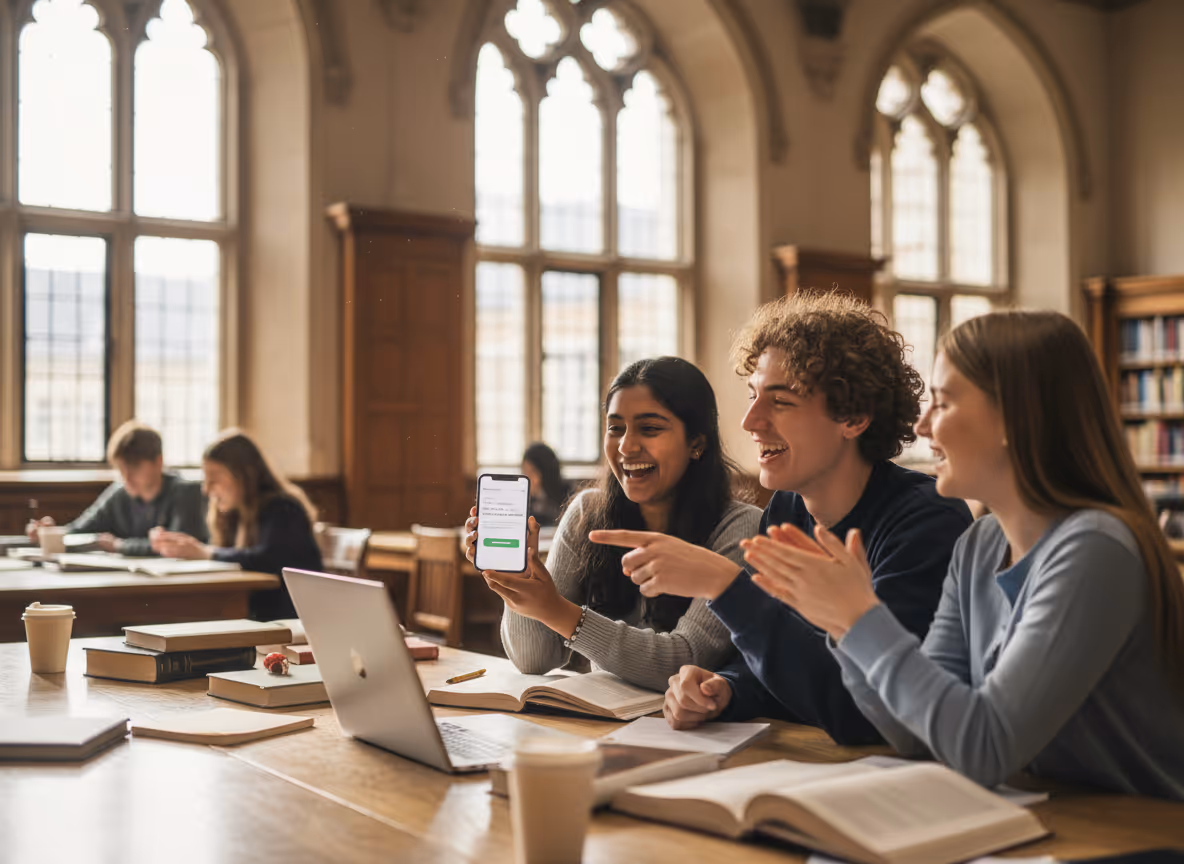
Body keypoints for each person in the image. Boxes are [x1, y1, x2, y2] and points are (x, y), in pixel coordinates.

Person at [745, 311, 1184, 799]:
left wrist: (861, 615)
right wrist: (844, 625)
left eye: (944, 403)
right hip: (1043, 819)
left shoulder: (1095, 549)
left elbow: (985, 747)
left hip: (1138, 836)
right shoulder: (980, 545)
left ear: (1015, 420)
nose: (923, 424)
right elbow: (913, 733)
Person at [594, 293, 972, 743]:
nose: (750, 422)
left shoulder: (926, 521)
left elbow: (862, 710)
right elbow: (789, 658)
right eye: (754, 396)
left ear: (852, 416)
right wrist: (727, 690)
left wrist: (726, 586)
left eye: (781, 402)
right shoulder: (788, 508)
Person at [464, 357, 762, 691]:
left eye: (649, 429)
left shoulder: (741, 528)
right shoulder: (587, 516)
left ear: (697, 443)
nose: (626, 446)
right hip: (604, 732)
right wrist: (520, 583)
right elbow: (534, 661)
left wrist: (558, 611)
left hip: (708, 734)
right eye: (615, 427)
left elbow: (683, 660)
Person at [151, 429, 323, 620]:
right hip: (255, 616)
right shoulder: (231, 514)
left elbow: (267, 560)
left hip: (291, 620)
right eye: (205, 479)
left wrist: (205, 553)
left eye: (214, 478)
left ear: (244, 474)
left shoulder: (283, 508)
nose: (206, 489)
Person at [26, 420, 206, 556]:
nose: (126, 477)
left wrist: (120, 546)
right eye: (121, 469)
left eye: (134, 467)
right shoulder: (119, 493)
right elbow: (81, 530)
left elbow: (178, 546)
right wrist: (51, 533)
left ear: (158, 462)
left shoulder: (185, 492)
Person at [521, 441, 571, 527]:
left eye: (532, 472)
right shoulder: (526, 500)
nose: (527, 477)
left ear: (545, 472)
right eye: (525, 471)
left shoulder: (567, 496)